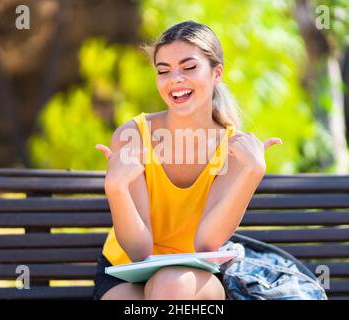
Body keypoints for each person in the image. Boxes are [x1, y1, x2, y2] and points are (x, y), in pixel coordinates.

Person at [93, 20, 282, 300]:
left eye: (189, 67)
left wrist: (252, 173)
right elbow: (139, 251)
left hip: (194, 277)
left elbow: (206, 243)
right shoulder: (132, 136)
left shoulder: (234, 150)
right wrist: (116, 189)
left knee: (173, 287)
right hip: (126, 271)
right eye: (163, 70)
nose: (175, 79)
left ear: (217, 73)